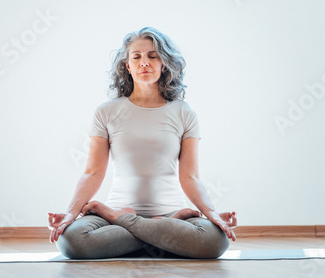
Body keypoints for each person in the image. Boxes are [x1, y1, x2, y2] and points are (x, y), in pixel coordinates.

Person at [47, 27, 237, 259]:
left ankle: (123, 221)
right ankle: (157, 238)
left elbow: (190, 177)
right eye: (136, 57)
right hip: (135, 214)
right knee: (72, 241)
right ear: (128, 66)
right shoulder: (107, 112)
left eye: (152, 56)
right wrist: (70, 213)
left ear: (164, 63)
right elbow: (93, 172)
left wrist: (212, 214)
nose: (144, 62)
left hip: (166, 213)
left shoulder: (184, 113)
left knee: (215, 242)